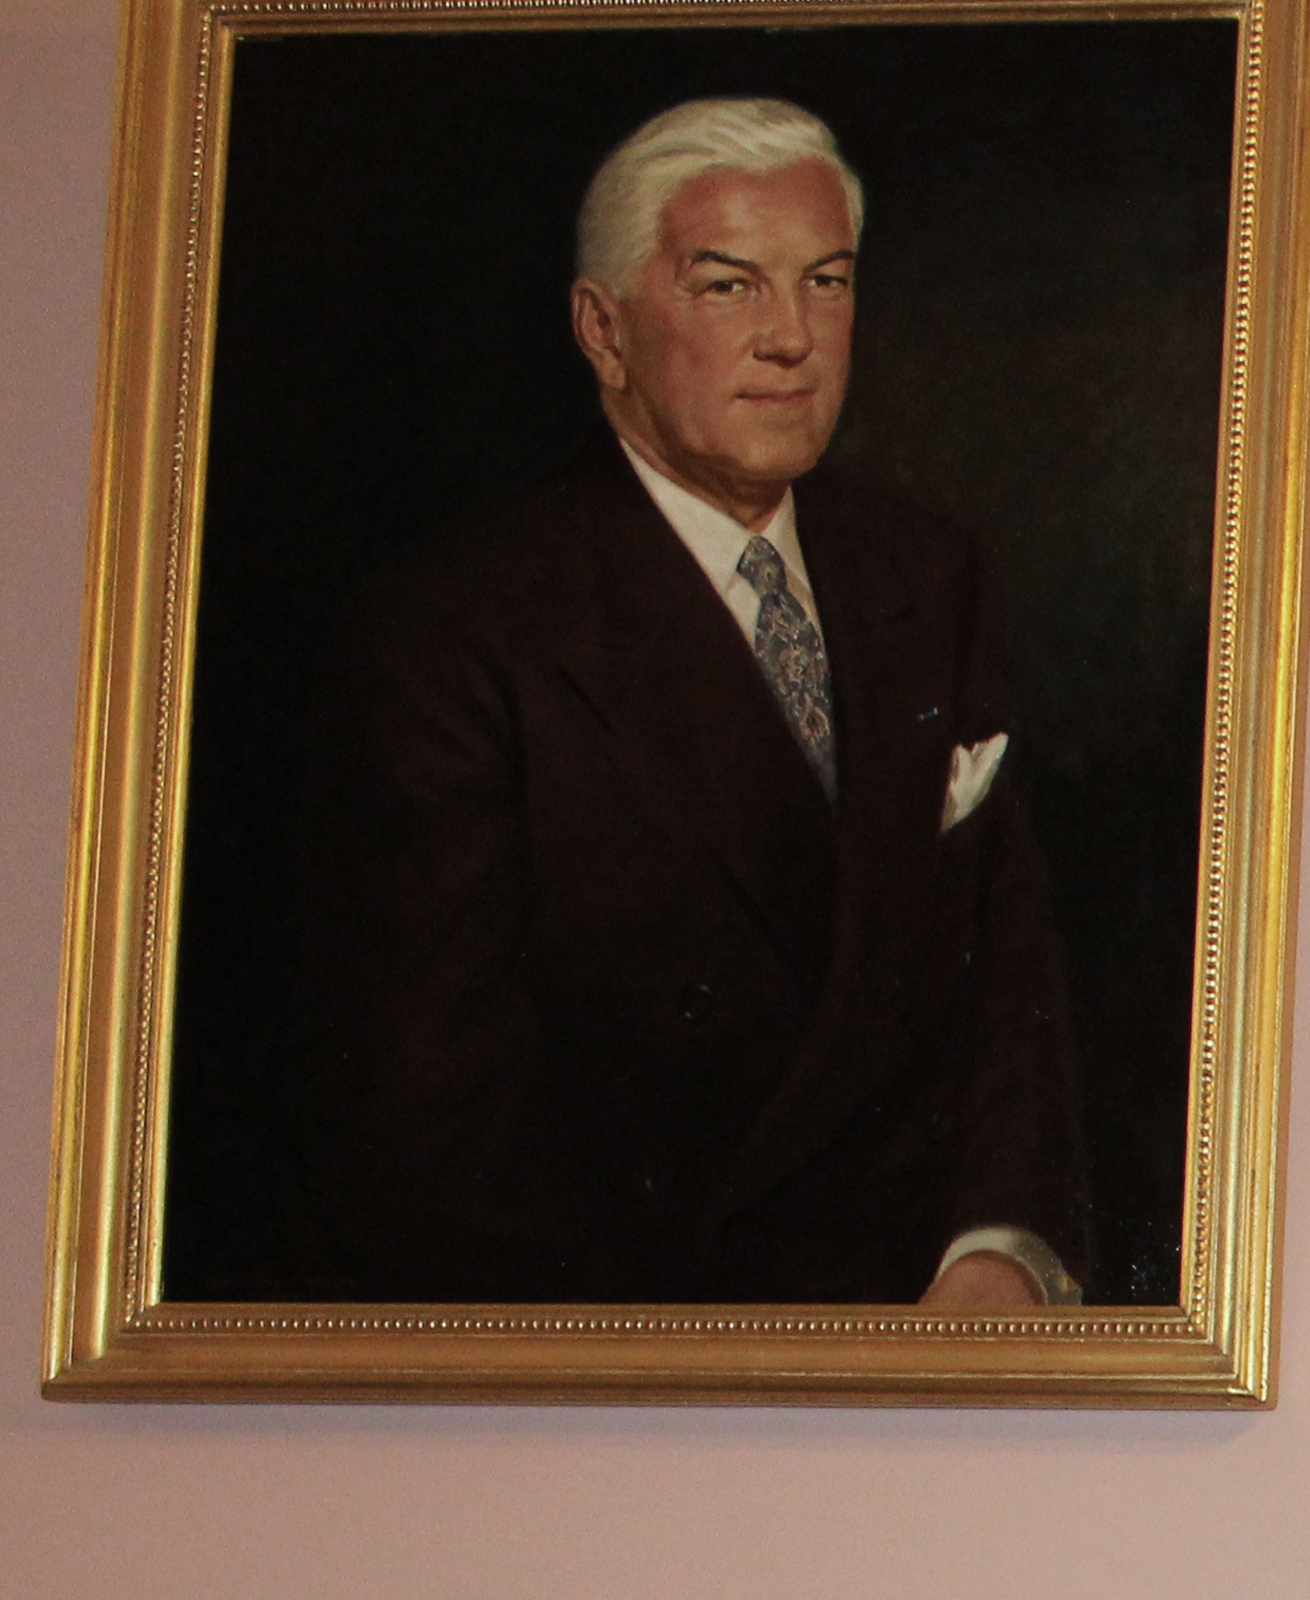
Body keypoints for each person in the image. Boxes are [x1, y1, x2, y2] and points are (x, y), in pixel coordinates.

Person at [325, 95, 1093, 1304]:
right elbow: (443, 1121)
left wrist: (999, 1249)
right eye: (728, 287)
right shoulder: (461, 624)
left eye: (826, 283)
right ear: (603, 328)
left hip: (936, 1340)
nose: (792, 337)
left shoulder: (929, 573)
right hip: (651, 1354)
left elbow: (1010, 979)